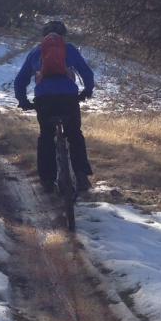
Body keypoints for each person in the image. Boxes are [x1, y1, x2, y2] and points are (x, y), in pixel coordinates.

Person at [14, 20, 95, 192]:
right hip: (68, 99)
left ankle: (47, 180)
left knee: (46, 137)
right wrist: (87, 91)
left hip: (45, 100)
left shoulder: (36, 52)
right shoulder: (69, 49)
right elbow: (86, 72)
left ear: (44, 36)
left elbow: (20, 80)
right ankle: (81, 174)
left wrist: (23, 101)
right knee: (74, 135)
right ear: (64, 35)